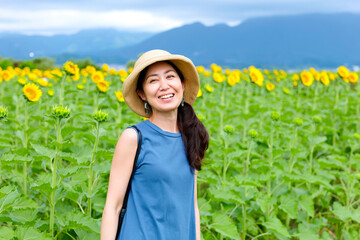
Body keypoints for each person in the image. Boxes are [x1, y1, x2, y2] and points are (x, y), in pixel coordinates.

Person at [100, 49, 209, 240]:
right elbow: (113, 206)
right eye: (153, 80)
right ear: (142, 94)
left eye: (170, 77)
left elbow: (191, 206)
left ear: (182, 85)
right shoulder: (133, 137)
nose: (164, 86)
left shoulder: (190, 136)